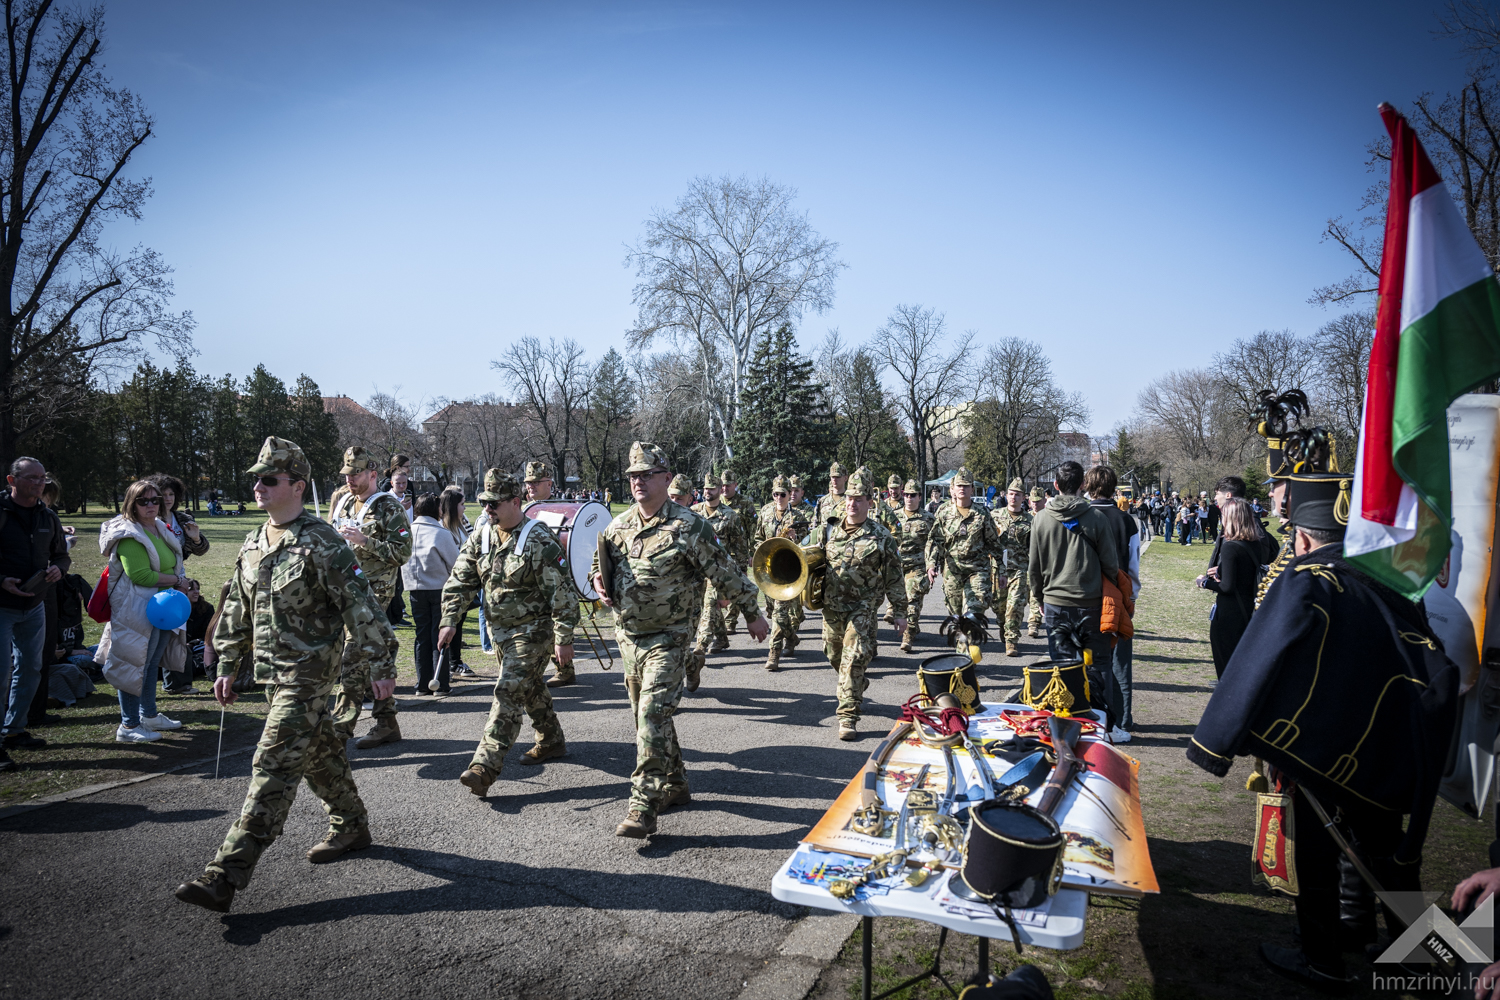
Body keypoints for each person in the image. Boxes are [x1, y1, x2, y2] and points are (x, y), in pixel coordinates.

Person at [1187, 470, 1458, 992]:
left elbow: (1261, 656)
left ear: (1304, 536)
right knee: (1389, 856)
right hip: (1390, 745)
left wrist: (1217, 740)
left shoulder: (1307, 577)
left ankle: (1324, 961)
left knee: (1316, 856)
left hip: (1320, 750)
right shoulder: (1390, 576)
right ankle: (1411, 958)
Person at [173, 437, 397, 914]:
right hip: (272, 677)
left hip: (309, 678)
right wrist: (229, 664)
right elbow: (237, 609)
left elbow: (363, 607)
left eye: (268, 479)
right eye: (256, 478)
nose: (258, 486)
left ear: (296, 486)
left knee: (271, 764)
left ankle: (225, 874)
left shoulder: (323, 541)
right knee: (319, 756)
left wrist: (381, 666)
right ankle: (351, 826)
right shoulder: (256, 540)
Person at [591, 442, 769, 838]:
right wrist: (598, 581)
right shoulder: (617, 526)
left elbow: (724, 571)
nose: (638, 481)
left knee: (651, 715)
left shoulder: (689, 525)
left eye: (647, 474)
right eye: (633, 475)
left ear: (666, 478)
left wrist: (753, 615)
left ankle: (643, 804)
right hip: (629, 637)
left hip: (670, 638)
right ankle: (676, 784)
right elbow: (597, 565)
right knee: (649, 716)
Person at [443, 470, 578, 796]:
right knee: (527, 688)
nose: (487, 510)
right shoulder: (483, 536)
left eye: (494, 503)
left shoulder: (537, 539)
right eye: (483, 503)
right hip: (500, 632)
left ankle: (484, 766)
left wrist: (564, 637)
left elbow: (562, 591)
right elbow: (461, 578)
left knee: (507, 692)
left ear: (516, 502)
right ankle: (551, 739)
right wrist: (449, 619)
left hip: (534, 633)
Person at [327, 446, 412, 749]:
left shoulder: (389, 507)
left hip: (373, 594)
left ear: (373, 474)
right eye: (347, 473)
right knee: (369, 659)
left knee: (353, 659)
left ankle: (338, 734)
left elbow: (402, 553)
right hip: (343, 590)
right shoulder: (345, 503)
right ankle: (387, 722)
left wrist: (365, 541)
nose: (350, 479)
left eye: (356, 473)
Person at [1028, 461, 1119, 724]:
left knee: (1063, 667)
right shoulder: (1097, 518)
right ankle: (1102, 723)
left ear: (1055, 485)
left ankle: (1068, 723)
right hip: (1091, 603)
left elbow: (1034, 567)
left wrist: (1038, 598)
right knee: (1100, 667)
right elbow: (1111, 565)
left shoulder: (1041, 519)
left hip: (1056, 603)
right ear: (1082, 485)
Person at [97, 478, 186, 744]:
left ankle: (148, 715)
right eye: (143, 501)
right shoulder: (128, 533)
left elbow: (171, 564)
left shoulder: (159, 526)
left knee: (149, 665)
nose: (150, 505)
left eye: (155, 500)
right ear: (131, 504)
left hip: (161, 607)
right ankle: (128, 725)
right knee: (133, 665)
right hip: (135, 609)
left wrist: (178, 581)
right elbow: (141, 576)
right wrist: (178, 582)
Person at [820, 472, 906, 741]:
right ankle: (857, 684)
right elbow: (805, 559)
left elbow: (894, 576)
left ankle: (847, 717)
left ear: (870, 501)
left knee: (853, 658)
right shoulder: (827, 529)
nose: (851, 504)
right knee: (835, 656)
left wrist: (900, 611)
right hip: (832, 607)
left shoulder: (881, 536)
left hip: (863, 607)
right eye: (849, 498)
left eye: (858, 499)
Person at [0, 458, 69, 769]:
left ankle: (14, 731)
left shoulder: (48, 517)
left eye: (43, 478)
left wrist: (58, 569)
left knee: (31, 669)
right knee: (1, 674)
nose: (39, 484)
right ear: (12, 480)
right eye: (32, 478)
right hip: (2, 606)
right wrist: (2, 580)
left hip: (35, 606)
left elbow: (61, 556)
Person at [1083, 466, 1139, 741]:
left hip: (1086, 595)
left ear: (1088, 486)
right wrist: (1132, 596)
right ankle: (1124, 719)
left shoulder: (1080, 517)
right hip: (1118, 594)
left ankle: (1094, 715)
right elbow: (1134, 562)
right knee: (1120, 661)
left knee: (1089, 661)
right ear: (1114, 488)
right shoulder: (1125, 520)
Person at [925, 467, 1002, 622]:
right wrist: (931, 564)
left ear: (972, 489)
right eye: (959, 485)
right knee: (956, 617)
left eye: (966, 485)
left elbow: (994, 544)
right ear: (953, 488)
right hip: (952, 572)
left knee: (973, 613)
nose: (962, 489)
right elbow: (935, 540)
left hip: (977, 570)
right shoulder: (944, 512)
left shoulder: (982, 513)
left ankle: (971, 640)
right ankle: (963, 645)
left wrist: (1002, 569)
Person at [404, 493, 462, 698]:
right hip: (439, 588)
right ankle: (440, 683)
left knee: (421, 637)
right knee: (440, 636)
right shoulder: (441, 533)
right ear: (436, 510)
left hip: (414, 589)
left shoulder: (407, 532)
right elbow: (456, 564)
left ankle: (422, 684)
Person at [1196, 498, 1260, 678]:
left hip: (1229, 612)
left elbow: (1227, 587)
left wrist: (1204, 582)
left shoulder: (1230, 546)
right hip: (1248, 607)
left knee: (1225, 664)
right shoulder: (1254, 543)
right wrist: (1223, 570)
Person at [753, 475, 810, 671]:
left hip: (789, 571)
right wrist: (758, 552)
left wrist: (798, 536)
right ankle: (792, 638)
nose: (779, 498)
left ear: (789, 494)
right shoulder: (765, 511)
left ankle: (773, 655)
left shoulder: (799, 517)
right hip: (769, 569)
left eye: (783, 494)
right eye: (775, 494)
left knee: (779, 613)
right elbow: (758, 537)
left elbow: (808, 544)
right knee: (774, 613)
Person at [691, 473, 747, 659]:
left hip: (718, 571)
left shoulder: (730, 516)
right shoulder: (694, 512)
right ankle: (722, 638)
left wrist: (740, 572)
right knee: (705, 605)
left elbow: (739, 546)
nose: (707, 491)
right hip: (697, 571)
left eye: (712, 488)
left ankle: (701, 645)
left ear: (719, 489)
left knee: (710, 605)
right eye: (706, 488)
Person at [989, 478, 1034, 657]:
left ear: (1024, 498)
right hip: (998, 569)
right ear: (1006, 495)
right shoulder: (994, 515)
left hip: (1019, 569)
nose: (1013, 497)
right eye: (1011, 494)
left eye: (1017, 495)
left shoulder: (1030, 520)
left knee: (1015, 605)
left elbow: (1035, 547)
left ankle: (1012, 640)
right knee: (999, 607)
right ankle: (1003, 626)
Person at [438, 489, 475, 677]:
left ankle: (454, 662)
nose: (465, 507)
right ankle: (452, 663)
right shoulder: (443, 529)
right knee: (451, 625)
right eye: (462, 504)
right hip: (449, 585)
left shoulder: (460, 526)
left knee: (458, 625)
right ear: (452, 507)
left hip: (463, 585)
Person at [894, 479, 933, 654]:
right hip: (895, 567)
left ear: (919, 497)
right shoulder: (893, 516)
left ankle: (908, 635)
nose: (909, 498)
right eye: (906, 495)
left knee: (912, 598)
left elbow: (934, 545)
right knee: (899, 603)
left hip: (917, 567)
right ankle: (913, 624)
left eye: (913, 495)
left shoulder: (928, 519)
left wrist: (932, 565)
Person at [719, 469, 758, 636]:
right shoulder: (716, 501)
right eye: (723, 485)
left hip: (738, 554)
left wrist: (751, 552)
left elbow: (753, 529)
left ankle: (731, 622)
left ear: (735, 485)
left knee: (735, 588)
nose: (725, 488)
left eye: (729, 485)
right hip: (720, 555)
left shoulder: (745, 503)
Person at [151, 474, 210, 563]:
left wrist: (196, 539)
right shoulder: (148, 520)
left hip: (178, 573)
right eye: (163, 495)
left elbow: (201, 551)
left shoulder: (185, 519)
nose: (168, 498)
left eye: (171, 494)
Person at [384, 459, 414, 626]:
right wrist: (399, 507)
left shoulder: (408, 497)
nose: (401, 486)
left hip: (406, 543)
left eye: (404, 483)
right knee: (392, 583)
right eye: (398, 483)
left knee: (401, 583)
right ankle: (391, 617)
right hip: (391, 544)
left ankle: (397, 614)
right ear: (391, 483)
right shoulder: (386, 499)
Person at [1026, 486, 1047, 639]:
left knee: (1035, 593)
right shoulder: (1026, 518)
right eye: (1033, 501)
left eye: (1038, 501)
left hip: (1042, 562)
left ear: (1044, 500)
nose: (1035, 504)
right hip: (1024, 562)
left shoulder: (1048, 518)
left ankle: (1034, 623)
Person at [815, 461, 849, 526]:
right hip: (825, 535)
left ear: (845, 478)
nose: (834, 479)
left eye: (838, 477)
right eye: (832, 477)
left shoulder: (851, 500)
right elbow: (816, 523)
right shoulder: (822, 501)